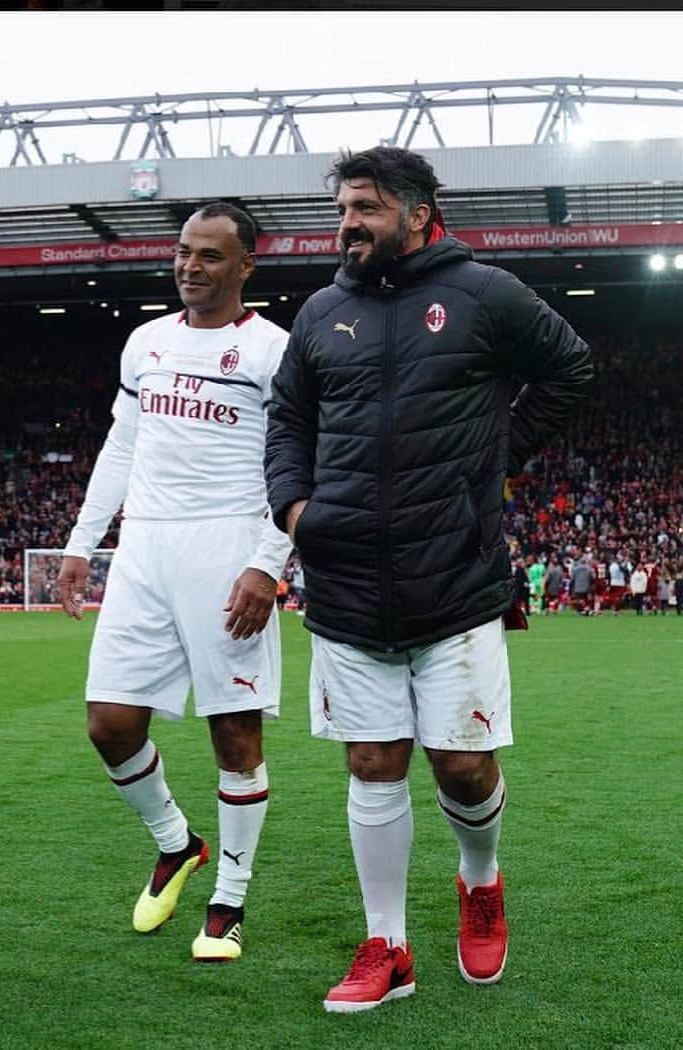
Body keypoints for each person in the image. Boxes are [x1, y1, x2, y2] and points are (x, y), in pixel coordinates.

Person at [265, 146, 592, 1012]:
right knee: (372, 763)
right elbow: (289, 419)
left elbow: (571, 369)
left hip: (454, 577)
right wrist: (294, 512)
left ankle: (479, 882)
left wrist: (492, 463)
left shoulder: (485, 293)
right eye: (342, 208)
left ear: (416, 213)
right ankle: (388, 946)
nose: (348, 223)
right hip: (345, 582)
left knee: (461, 766)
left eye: (366, 207)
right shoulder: (321, 311)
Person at [57, 202, 291, 963]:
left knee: (235, 733)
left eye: (211, 256)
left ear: (245, 265)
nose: (191, 267)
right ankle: (175, 841)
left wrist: (268, 561)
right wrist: (81, 544)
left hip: (228, 547)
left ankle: (229, 896)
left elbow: (298, 467)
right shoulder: (146, 341)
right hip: (144, 550)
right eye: (185, 252)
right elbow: (122, 443)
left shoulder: (273, 351)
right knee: (109, 724)